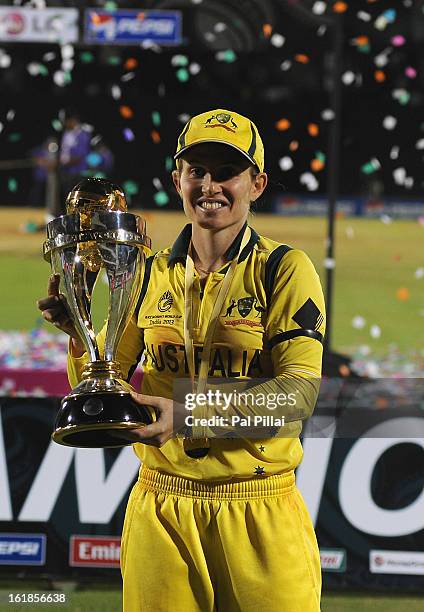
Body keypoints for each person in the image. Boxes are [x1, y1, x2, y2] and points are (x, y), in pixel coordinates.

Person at [38, 109, 326, 611]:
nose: (210, 185)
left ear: (256, 185)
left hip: (259, 510)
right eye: (197, 170)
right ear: (178, 180)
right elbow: (101, 387)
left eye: (226, 171)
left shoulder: (284, 270)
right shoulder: (145, 274)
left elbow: (298, 398)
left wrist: (188, 413)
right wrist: (80, 336)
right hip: (162, 510)